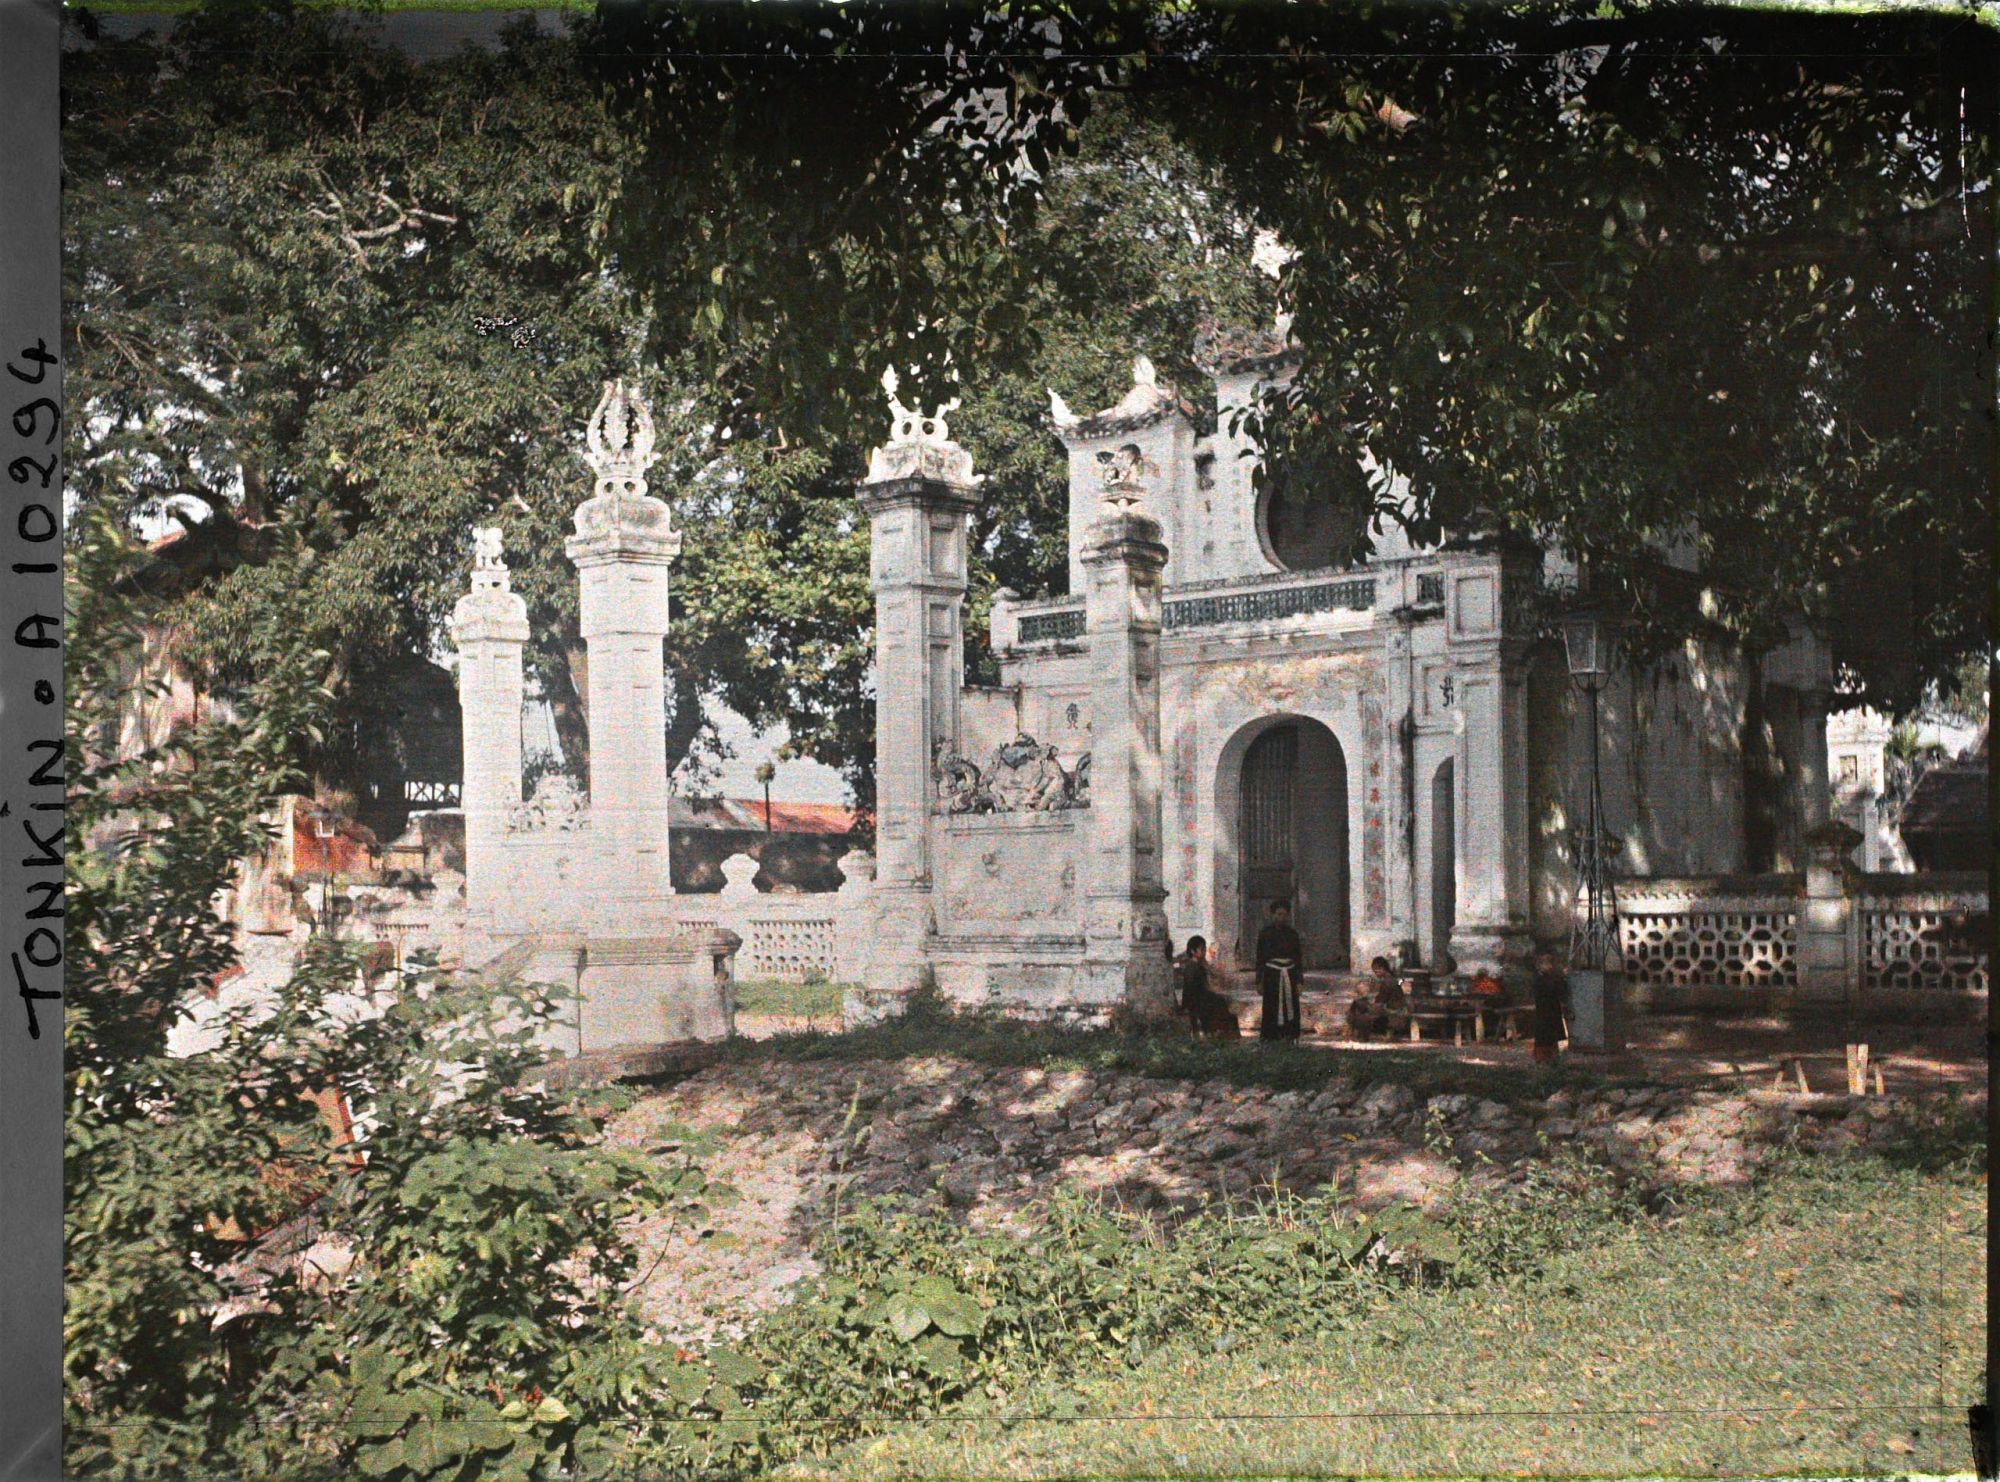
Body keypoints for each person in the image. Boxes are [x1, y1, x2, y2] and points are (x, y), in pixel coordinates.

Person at [1256, 901, 1304, 1041]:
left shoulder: (1292, 934)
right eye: (1278, 914)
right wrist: (1259, 980)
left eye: (1284, 915)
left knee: (1290, 1005)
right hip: (1272, 976)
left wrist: (1299, 981)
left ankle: (1289, 1035)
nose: (1281, 917)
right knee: (1272, 1005)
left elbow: (1298, 959)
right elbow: (1260, 959)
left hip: (1290, 974)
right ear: (1273, 915)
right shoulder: (1265, 934)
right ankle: (1270, 1037)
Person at [1176, 936, 1240, 1038]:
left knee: (1223, 1003)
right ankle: (1221, 1034)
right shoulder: (1193, 967)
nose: (1204, 951)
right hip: (1199, 1002)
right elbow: (1192, 988)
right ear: (1193, 951)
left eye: (1204, 948)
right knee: (1221, 1003)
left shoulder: (1198, 966)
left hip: (1202, 999)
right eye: (1202, 949)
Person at [1530, 947, 1568, 1064]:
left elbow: (1559, 990)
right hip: (1544, 1011)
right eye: (1546, 964)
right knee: (1543, 1035)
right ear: (1539, 965)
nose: (1549, 967)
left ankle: (1553, 1056)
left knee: (1553, 1034)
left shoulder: (1550, 977)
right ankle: (1541, 1057)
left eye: (1550, 964)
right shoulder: (1538, 979)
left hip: (1552, 1010)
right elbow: (1549, 989)